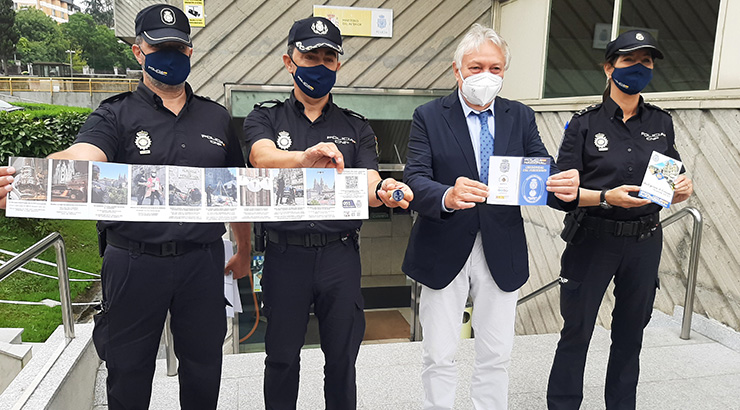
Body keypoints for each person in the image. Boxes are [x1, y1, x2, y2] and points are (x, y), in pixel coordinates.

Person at [0, 5, 252, 409]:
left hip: (202, 263)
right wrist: (32, 177)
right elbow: (83, 155)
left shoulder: (217, 118)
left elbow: (237, 191)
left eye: (178, 47)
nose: (169, 53)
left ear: (189, 52)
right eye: (159, 46)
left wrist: (244, 250)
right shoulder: (114, 115)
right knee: (128, 375)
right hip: (134, 263)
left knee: (205, 370)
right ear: (139, 52)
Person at [401, 24, 580, 410]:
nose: (486, 75)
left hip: (501, 245)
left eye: (495, 68)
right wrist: (446, 195)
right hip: (443, 242)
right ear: (457, 71)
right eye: (476, 66)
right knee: (439, 352)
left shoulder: (520, 116)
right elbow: (414, 177)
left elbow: (539, 169)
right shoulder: (429, 116)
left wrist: (563, 186)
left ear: (504, 72)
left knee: (496, 353)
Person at [242, 16, 413, 410]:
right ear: (289, 62)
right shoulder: (265, 117)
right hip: (285, 255)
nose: (318, 65)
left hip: (339, 255)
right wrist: (302, 158)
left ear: (338, 65)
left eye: (328, 57)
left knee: (341, 360)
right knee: (282, 358)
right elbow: (260, 156)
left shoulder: (355, 126)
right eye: (309, 55)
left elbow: (369, 180)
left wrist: (384, 190)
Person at [546, 30, 693, 410]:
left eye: (646, 62)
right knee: (576, 331)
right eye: (630, 60)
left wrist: (681, 186)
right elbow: (559, 193)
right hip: (593, 239)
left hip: (644, 241)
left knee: (630, 334)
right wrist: (604, 198)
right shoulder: (583, 124)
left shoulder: (662, 122)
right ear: (609, 68)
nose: (640, 68)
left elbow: (672, 171)